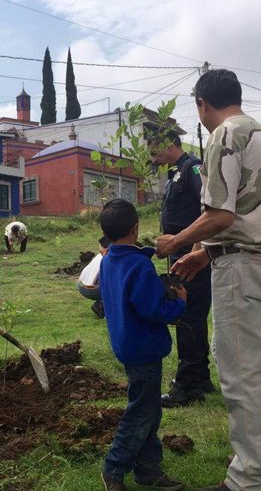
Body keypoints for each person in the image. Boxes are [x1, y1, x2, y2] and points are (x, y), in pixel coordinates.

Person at [156, 69, 261, 491]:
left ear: (201, 105)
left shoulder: (223, 135)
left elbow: (221, 214)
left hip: (245, 267)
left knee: (239, 372)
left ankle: (248, 478)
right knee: (250, 366)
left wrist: (176, 240)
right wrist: (203, 253)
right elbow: (252, 213)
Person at [98, 199, 186, 491]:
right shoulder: (139, 265)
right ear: (135, 228)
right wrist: (179, 305)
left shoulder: (109, 258)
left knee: (149, 409)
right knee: (142, 411)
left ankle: (148, 470)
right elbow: (153, 310)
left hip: (127, 344)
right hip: (143, 348)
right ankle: (113, 468)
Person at [152, 130, 214, 408]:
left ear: (169, 145)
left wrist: (196, 249)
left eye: (156, 152)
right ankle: (200, 377)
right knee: (193, 316)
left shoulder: (192, 167)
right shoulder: (175, 173)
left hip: (191, 253)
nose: (154, 158)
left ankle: (187, 386)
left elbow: (208, 207)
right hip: (179, 250)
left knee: (187, 315)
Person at [77, 236, 110, 319]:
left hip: (80, 284)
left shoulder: (103, 253)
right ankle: (104, 308)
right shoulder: (109, 256)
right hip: (90, 288)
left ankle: (99, 305)